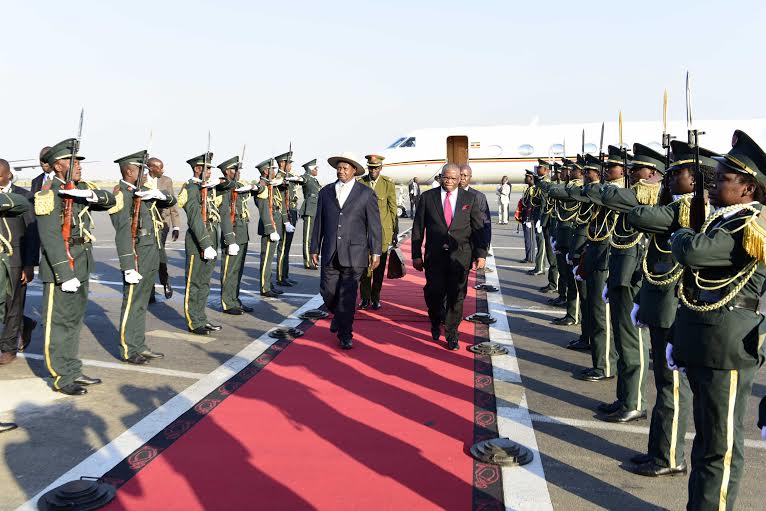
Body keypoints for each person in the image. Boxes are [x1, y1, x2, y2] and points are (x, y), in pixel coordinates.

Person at [667, 130, 766, 510]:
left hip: (728, 346)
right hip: (704, 339)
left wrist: (681, 234)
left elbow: (694, 252)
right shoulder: (723, 220)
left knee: (721, 448)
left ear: (748, 189)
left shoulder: (747, 226)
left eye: (723, 177)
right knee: (706, 442)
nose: (713, 183)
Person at [626, 140, 718, 477]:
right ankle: (658, 449)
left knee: (672, 386)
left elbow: (638, 215)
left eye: (676, 171)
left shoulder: (689, 211)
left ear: (694, 179)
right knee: (663, 384)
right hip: (660, 304)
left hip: (674, 309)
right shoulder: (678, 206)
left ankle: (669, 457)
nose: (668, 176)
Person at [35, 138, 116, 395]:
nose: (78, 166)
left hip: (82, 261)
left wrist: (88, 194)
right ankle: (61, 376)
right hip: (63, 267)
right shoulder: (49, 192)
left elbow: (110, 201)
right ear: (58, 166)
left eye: (78, 161)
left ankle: (72, 368)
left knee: (74, 320)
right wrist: (64, 272)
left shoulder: (80, 188)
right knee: (59, 322)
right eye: (72, 162)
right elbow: (50, 236)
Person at [593, 144, 664, 424]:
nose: (633, 172)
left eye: (639, 169)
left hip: (636, 277)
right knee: (623, 341)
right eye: (632, 168)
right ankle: (624, 397)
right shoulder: (634, 193)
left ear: (654, 172)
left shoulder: (652, 195)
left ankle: (635, 401)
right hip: (621, 274)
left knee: (633, 342)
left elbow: (612, 197)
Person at [108, 151, 176, 364]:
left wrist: (159, 195)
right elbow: (122, 232)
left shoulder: (144, 192)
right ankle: (129, 349)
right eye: (141, 169)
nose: (146, 172)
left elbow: (171, 200)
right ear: (129, 172)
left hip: (150, 251)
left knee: (141, 303)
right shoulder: (122, 194)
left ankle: (139, 345)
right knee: (132, 302)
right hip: (137, 254)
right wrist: (128, 265)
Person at [412, 163, 488, 350]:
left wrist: (481, 254)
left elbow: (478, 228)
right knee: (434, 292)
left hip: (461, 256)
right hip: (434, 255)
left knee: (457, 295)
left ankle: (452, 333)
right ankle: (436, 319)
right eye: (446, 178)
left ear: (460, 179)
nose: (450, 182)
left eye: (454, 178)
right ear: (440, 177)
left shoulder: (469, 198)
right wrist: (416, 254)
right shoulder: (427, 198)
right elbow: (418, 228)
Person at [310, 152, 381, 349]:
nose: (341, 171)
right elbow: (319, 222)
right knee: (327, 292)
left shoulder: (365, 194)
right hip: (330, 252)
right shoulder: (325, 192)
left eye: (345, 168)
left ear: (354, 171)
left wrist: (376, 252)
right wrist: (314, 247)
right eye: (339, 168)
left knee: (348, 297)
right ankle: (339, 316)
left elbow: (374, 226)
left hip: (355, 254)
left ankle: (345, 334)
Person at [178, 152, 224, 336]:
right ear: (197, 169)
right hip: (198, 241)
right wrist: (205, 244)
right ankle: (193, 321)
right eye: (208, 168)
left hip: (211, 236)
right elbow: (195, 219)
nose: (210, 171)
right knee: (194, 282)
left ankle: (202, 318)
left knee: (205, 282)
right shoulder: (191, 188)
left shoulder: (206, 188)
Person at [0, 159, 36, 365]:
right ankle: (25, 324)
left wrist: (29, 264)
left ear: (8, 176)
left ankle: (8, 347)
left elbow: (32, 232)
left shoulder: (23, 197)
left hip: (15, 258)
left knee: (13, 304)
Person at [358, 154, 398, 310]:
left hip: (382, 232)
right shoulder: (361, 182)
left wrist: (394, 231)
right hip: (364, 232)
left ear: (381, 168)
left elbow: (392, 208)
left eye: (376, 168)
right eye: (371, 167)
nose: (373, 170)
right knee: (364, 268)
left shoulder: (388, 184)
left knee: (379, 268)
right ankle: (365, 298)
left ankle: (376, 297)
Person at [217, 156, 256, 315]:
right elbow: (224, 214)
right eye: (235, 170)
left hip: (242, 231)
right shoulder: (224, 188)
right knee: (229, 270)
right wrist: (229, 239)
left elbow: (258, 190)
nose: (238, 172)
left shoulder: (238, 186)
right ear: (227, 171)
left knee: (238, 270)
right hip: (232, 233)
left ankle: (235, 299)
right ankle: (227, 302)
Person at [146, 157, 180, 301]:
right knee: (147, 257)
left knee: (159, 253)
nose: (163, 170)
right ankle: (150, 291)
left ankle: (165, 281)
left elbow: (173, 203)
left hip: (162, 223)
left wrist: (176, 225)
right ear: (151, 168)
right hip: (146, 223)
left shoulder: (166, 181)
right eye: (160, 167)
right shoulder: (141, 180)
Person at [254, 158, 284, 298]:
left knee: (270, 258)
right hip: (268, 228)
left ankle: (269, 283)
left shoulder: (271, 185)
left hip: (274, 226)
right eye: (272, 169)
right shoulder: (262, 186)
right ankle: (264, 287)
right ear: (266, 171)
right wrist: (271, 229)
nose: (275, 171)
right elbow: (263, 209)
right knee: (266, 258)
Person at [286, 159, 321, 270]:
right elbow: (300, 179)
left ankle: (312, 259)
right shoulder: (306, 177)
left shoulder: (314, 180)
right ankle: (307, 261)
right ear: (310, 169)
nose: (317, 170)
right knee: (307, 237)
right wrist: (289, 178)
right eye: (315, 168)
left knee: (314, 237)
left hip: (315, 209)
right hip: (309, 210)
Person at [530, 160, 559, 293]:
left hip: (547, 221)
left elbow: (544, 203)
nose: (537, 169)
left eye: (540, 167)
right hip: (543, 220)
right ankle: (552, 283)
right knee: (549, 253)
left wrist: (541, 220)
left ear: (546, 170)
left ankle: (554, 284)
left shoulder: (545, 184)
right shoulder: (540, 182)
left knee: (552, 256)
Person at [275, 151, 298, 287]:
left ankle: (285, 275)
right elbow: (281, 200)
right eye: (288, 163)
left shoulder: (288, 177)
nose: (290, 166)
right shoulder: (279, 178)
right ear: (282, 164)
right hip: (285, 215)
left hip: (292, 213)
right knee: (283, 247)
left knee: (287, 246)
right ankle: (280, 276)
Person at [518, 170, 536, 263]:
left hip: (530, 217)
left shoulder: (533, 189)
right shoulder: (528, 189)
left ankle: (531, 257)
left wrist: (529, 217)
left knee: (530, 239)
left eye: (527, 177)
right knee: (526, 238)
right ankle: (527, 256)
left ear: (531, 178)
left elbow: (531, 205)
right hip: (525, 216)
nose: (525, 178)